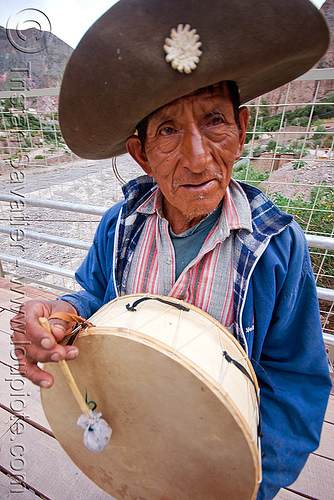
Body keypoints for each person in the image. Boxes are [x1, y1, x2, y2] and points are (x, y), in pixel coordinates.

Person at [11, 1, 332, 499]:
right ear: (140, 153)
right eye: (168, 131)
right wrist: (64, 316)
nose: (198, 156)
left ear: (242, 129)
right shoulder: (120, 227)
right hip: (135, 450)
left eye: (215, 121)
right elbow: (95, 300)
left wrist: (250, 480)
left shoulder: (274, 247)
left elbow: (296, 380)